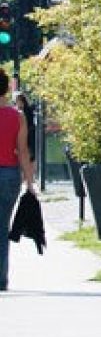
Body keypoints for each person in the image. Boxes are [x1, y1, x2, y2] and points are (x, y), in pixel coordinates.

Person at [1, 68, 36, 291]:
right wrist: (30, 183)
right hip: (9, 176)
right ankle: (1, 278)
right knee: (2, 226)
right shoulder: (18, 116)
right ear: (6, 89)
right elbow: (22, 151)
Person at [13, 93, 35, 162]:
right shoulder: (15, 111)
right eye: (17, 101)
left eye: (19, 100)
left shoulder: (28, 109)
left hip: (29, 131)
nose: (18, 103)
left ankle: (31, 154)